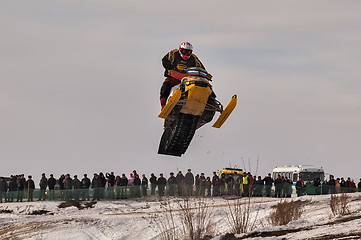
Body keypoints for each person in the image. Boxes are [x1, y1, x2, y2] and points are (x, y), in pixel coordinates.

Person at [160, 42, 205, 109]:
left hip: (186, 80)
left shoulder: (194, 58)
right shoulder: (173, 53)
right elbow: (165, 60)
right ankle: (164, 106)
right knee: (165, 88)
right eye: (184, 51)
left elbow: (200, 67)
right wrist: (171, 67)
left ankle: (209, 101)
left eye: (188, 52)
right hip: (173, 78)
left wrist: (206, 75)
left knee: (203, 84)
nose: (186, 54)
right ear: (180, 50)